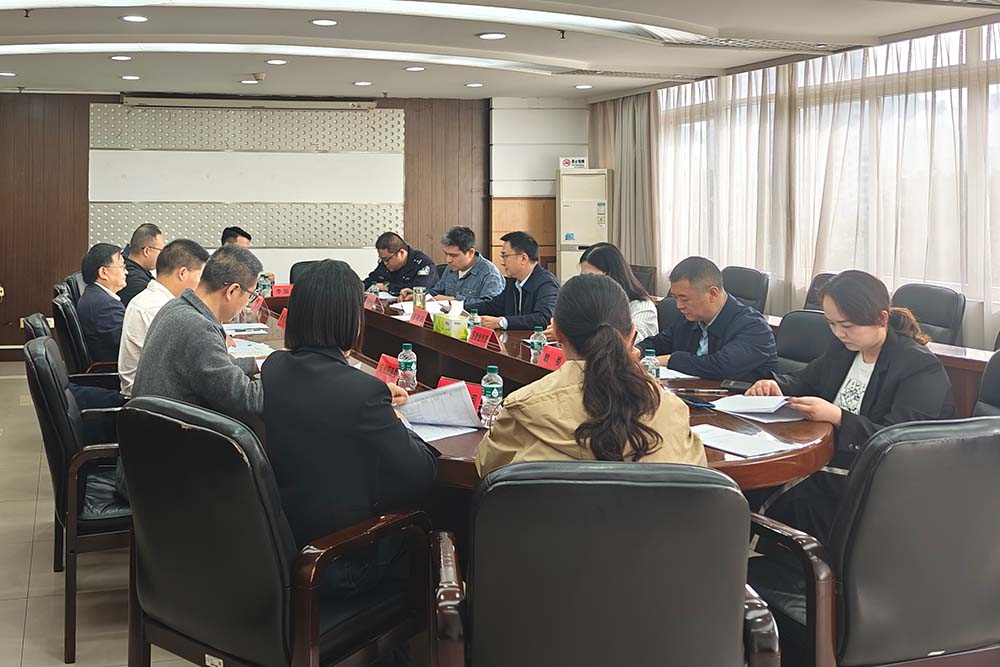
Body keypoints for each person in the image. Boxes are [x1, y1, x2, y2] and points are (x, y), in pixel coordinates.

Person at [262, 259, 438, 617]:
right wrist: (397, 419)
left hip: (283, 548)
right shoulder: (362, 393)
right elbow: (421, 474)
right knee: (435, 525)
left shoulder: (274, 367)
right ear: (353, 319)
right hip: (340, 562)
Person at [745, 270, 957, 541]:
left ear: (881, 318)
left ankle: (790, 560)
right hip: (829, 454)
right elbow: (805, 381)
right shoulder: (843, 349)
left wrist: (838, 417)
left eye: (846, 325)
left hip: (877, 471)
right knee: (759, 477)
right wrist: (775, 386)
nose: (839, 333)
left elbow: (900, 442)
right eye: (832, 324)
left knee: (789, 489)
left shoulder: (918, 367)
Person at [477, 273, 706, 476]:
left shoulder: (523, 407)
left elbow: (486, 467)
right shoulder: (670, 410)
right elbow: (696, 479)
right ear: (631, 334)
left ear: (557, 333)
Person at [132, 244, 264, 424]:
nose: (247, 302)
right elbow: (248, 401)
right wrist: (289, 375)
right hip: (176, 436)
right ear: (232, 291)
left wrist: (256, 364)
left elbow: (212, 368)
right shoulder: (198, 328)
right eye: (250, 295)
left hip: (153, 426)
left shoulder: (176, 306)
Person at [634, 256, 777, 381]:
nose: (679, 305)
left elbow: (722, 367)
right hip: (692, 396)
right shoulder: (690, 318)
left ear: (713, 293)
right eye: (675, 298)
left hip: (737, 400)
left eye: (684, 299)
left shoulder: (754, 327)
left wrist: (671, 360)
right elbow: (661, 341)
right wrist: (639, 350)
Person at [118, 239, 209, 397]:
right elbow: (193, 360)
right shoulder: (155, 307)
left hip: (156, 389)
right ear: (182, 273)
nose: (201, 284)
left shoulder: (157, 299)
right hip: (150, 399)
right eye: (200, 277)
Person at [399, 226, 504, 308]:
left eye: (454, 255)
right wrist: (420, 296)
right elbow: (437, 291)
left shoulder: (489, 273)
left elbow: (490, 306)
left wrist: (453, 301)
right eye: (446, 254)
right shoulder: (452, 267)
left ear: (471, 252)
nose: (448, 260)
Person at [476, 231, 560, 331]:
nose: (502, 262)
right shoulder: (513, 281)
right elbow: (494, 306)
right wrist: (462, 307)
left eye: (505, 256)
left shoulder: (547, 283)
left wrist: (502, 322)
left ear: (523, 259)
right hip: (514, 339)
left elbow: (542, 318)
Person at [578, 243, 658, 341]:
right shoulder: (590, 302)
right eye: (583, 276)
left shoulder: (642, 306)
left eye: (591, 276)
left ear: (611, 276)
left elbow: (630, 342)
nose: (586, 282)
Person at [76, 243, 127, 363]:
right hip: (112, 369)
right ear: (103, 272)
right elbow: (127, 345)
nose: (126, 272)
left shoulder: (95, 296)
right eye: (122, 266)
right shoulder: (106, 306)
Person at [363, 232, 438, 295]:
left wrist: (387, 287)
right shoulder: (386, 263)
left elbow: (419, 289)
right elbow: (371, 280)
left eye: (386, 259)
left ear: (401, 253)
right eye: (382, 259)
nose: (385, 263)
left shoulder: (423, 264)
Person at [118, 224, 164, 307]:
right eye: (160, 250)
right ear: (146, 251)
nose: (162, 255)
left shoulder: (124, 262)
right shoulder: (137, 282)